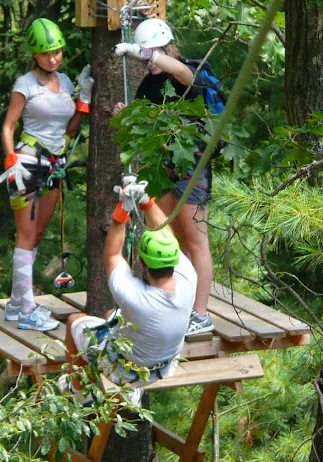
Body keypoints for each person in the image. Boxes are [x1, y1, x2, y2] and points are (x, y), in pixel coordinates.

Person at [113, 18, 214, 336]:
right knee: (171, 240)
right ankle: (179, 304)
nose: (150, 58)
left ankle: (200, 313)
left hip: (191, 167)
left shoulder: (185, 72)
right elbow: (145, 134)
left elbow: (186, 76)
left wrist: (148, 55)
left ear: (166, 48)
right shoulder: (147, 86)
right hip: (164, 167)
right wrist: (125, 117)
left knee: (196, 241)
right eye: (146, 53)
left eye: (154, 51)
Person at [61, 179, 197, 403]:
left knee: (75, 321)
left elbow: (113, 254)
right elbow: (166, 236)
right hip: (163, 367)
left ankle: (78, 391)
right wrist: (145, 200)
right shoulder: (188, 277)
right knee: (109, 316)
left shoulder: (136, 298)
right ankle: (131, 390)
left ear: (142, 265)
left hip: (123, 369)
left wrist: (121, 212)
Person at [0, 18, 93, 332]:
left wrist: (84, 100)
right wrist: (11, 159)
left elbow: (70, 130)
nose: (52, 58)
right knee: (25, 238)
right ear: (35, 55)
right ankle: (27, 309)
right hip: (27, 163)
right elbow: (8, 126)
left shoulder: (65, 82)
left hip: (54, 165)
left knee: (36, 236)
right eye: (46, 53)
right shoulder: (25, 84)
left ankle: (16, 303)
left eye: (57, 52)